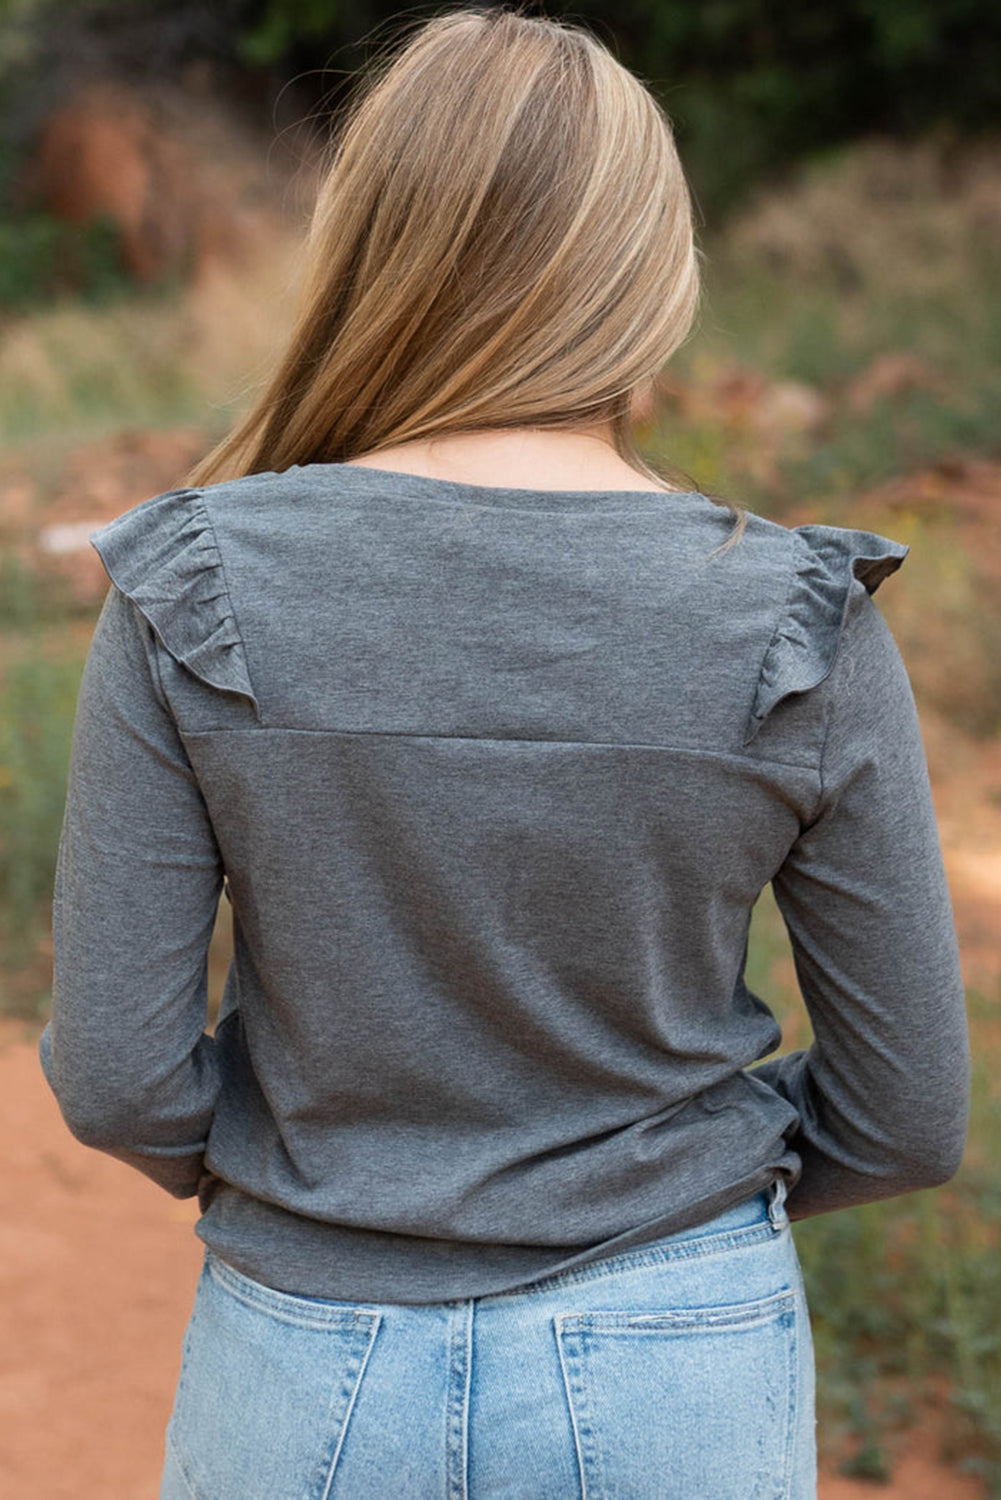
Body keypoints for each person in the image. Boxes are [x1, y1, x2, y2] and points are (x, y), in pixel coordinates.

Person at [38, 6, 971, 1497]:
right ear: (645, 267)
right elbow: (905, 1113)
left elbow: (114, 1076)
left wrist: (315, 1181)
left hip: (307, 1351)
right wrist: (676, 1189)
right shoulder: (789, 619)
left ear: (368, 248)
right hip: (683, 1348)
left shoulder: (196, 586)